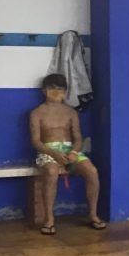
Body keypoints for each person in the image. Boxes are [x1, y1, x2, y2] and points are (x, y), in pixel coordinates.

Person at [29, 73, 106, 234]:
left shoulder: (71, 112)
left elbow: (78, 138)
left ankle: (93, 215)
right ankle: (49, 219)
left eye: (60, 89)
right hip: (48, 151)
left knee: (92, 171)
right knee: (51, 171)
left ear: (65, 92)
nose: (56, 92)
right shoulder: (37, 113)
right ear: (44, 91)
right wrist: (54, 154)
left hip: (70, 150)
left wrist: (74, 152)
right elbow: (36, 141)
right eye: (52, 88)